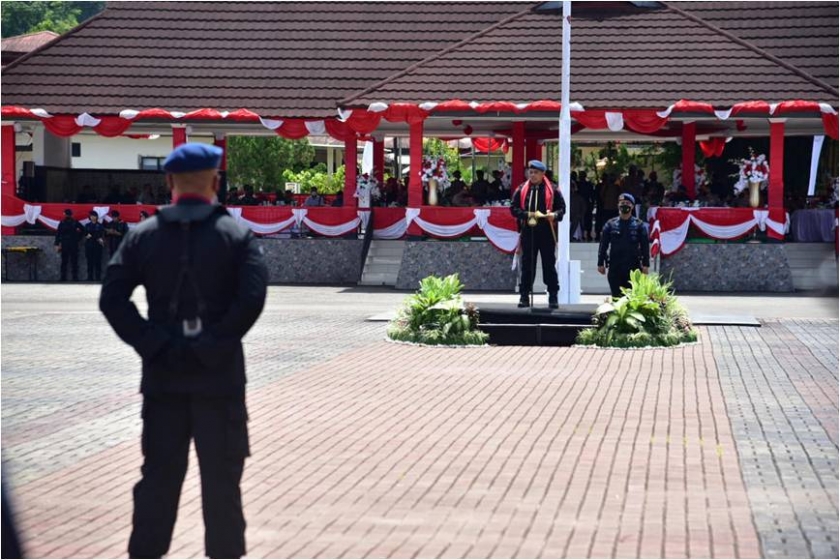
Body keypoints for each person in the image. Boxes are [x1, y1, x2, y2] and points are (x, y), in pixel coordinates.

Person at [99, 143, 268, 559]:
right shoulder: (237, 235)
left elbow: (112, 299)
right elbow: (252, 299)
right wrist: (215, 344)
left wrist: (154, 343)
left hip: (164, 379)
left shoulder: (143, 236)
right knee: (222, 488)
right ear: (215, 181)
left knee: (157, 483)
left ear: (169, 182)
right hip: (220, 381)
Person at [510, 160, 566, 309]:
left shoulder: (553, 189)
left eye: (536, 172)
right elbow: (513, 209)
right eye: (531, 172)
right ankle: (524, 296)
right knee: (528, 265)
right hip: (529, 230)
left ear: (542, 174)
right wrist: (527, 214)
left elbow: (562, 209)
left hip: (546, 231)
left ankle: (553, 296)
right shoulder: (522, 189)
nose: (532, 175)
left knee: (549, 264)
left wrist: (553, 215)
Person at [597, 193, 650, 298]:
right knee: (617, 298)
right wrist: (600, 263)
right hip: (615, 268)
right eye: (622, 203)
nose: (624, 205)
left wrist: (646, 264)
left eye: (627, 203)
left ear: (632, 206)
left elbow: (645, 246)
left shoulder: (639, 225)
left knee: (632, 299)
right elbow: (603, 245)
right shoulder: (610, 224)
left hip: (633, 269)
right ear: (618, 205)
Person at [54, 209, 84, 281]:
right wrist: (57, 243)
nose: (66, 216)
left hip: (73, 243)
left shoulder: (75, 222)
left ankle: (75, 277)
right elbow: (58, 233)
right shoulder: (62, 222)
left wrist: (78, 238)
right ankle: (63, 277)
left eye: (67, 214)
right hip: (65, 243)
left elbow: (83, 230)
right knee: (64, 261)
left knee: (74, 261)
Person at [84, 210, 106, 281]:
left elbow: (102, 235)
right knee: (89, 262)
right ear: (89, 217)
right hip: (89, 245)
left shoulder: (100, 225)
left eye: (94, 216)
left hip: (97, 245)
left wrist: (101, 239)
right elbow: (84, 234)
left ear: (97, 217)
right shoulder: (87, 225)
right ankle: (89, 277)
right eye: (91, 216)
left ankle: (98, 277)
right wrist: (86, 236)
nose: (93, 217)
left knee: (97, 262)